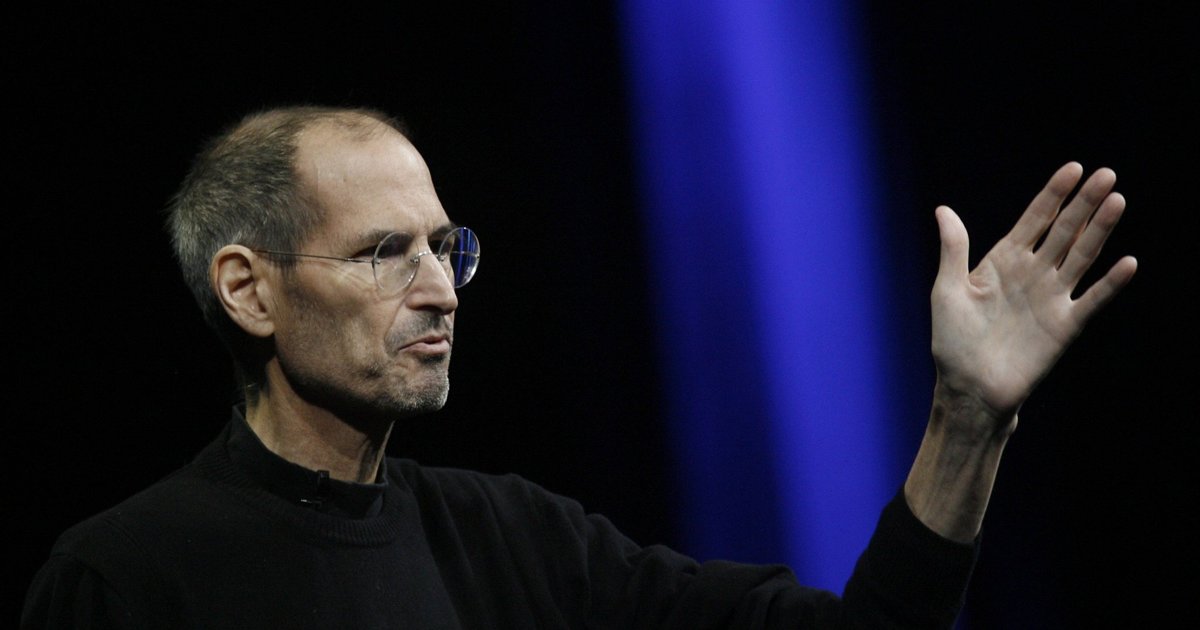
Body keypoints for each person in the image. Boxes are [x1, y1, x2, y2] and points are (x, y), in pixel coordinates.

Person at [21, 106, 1137, 629]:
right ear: (249, 290)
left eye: (445, 248)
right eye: (383, 252)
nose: (442, 289)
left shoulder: (518, 543)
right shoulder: (127, 577)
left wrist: (967, 419)